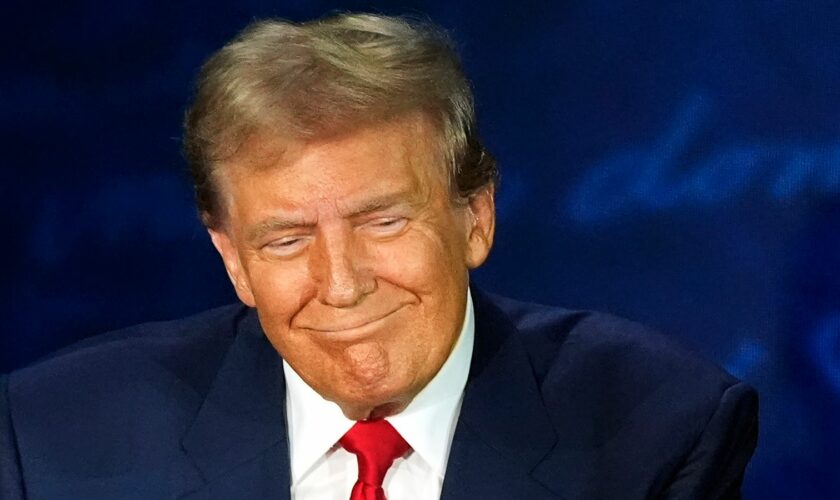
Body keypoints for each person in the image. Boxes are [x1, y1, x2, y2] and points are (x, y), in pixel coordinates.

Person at [0, 12, 757, 500]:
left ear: (475, 216)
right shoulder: (55, 439)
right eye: (287, 239)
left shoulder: (655, 430)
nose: (341, 284)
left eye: (384, 221)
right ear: (232, 260)